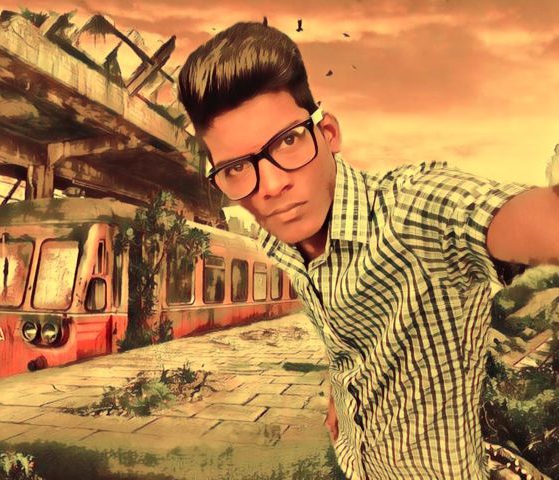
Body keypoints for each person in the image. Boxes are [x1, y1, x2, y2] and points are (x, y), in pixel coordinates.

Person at [177, 21, 557, 479]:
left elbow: (514, 218)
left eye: (288, 141)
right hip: (356, 463)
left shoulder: (412, 211)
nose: (271, 186)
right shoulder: (276, 241)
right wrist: (341, 385)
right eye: (238, 168)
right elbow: (341, 330)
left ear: (328, 133)